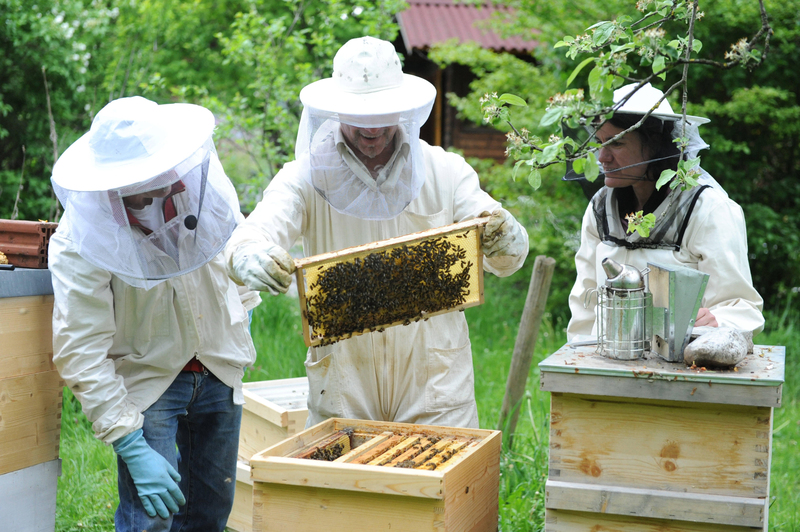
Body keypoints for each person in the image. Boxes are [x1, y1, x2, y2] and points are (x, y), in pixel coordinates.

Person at [224, 36, 528, 429]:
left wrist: (507, 236)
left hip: (436, 387)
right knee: (348, 490)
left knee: (443, 490)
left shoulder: (445, 171)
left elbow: (506, 259)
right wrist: (251, 256)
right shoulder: (303, 179)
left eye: (380, 114)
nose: (371, 128)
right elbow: (249, 236)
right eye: (358, 115)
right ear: (334, 110)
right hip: (344, 390)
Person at [49, 96, 261, 531]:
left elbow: (234, 259)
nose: (158, 188)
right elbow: (79, 348)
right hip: (148, 383)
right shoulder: (79, 238)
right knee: (150, 521)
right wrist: (130, 443)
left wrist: (246, 309)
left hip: (219, 365)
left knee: (210, 512)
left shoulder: (203, 191)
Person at [567, 82, 764, 340]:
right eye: (600, 142)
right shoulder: (600, 208)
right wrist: (579, 363)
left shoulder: (709, 211)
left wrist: (718, 320)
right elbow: (585, 303)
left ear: (654, 145)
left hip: (683, 370)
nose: (602, 157)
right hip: (609, 363)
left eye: (616, 143)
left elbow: (742, 308)